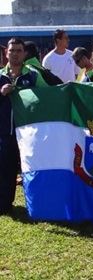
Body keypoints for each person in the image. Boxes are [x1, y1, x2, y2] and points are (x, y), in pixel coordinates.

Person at [0, 38, 48, 215]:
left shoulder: (33, 75)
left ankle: (36, 204)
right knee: (6, 169)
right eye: (11, 50)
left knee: (32, 168)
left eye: (18, 50)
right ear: (6, 53)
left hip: (29, 132)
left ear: (24, 53)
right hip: (5, 132)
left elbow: (47, 96)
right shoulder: (0, 76)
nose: (15, 54)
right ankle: (4, 204)